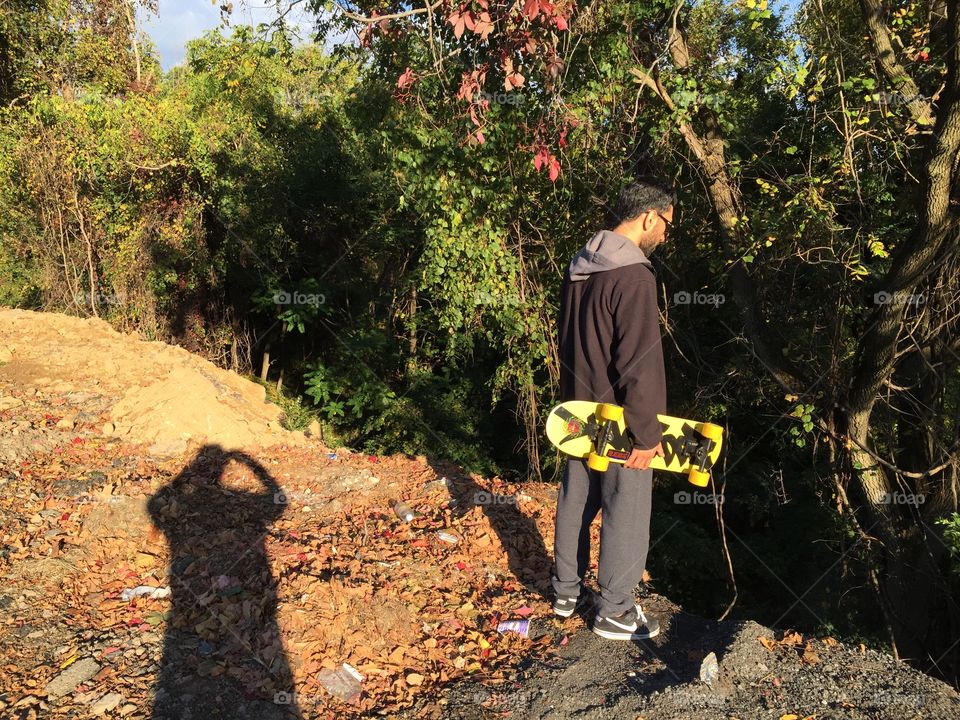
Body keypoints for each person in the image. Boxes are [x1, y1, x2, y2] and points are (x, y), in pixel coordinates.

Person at [551, 177, 674, 640]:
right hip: (619, 418)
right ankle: (615, 611)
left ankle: (566, 591)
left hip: (578, 411)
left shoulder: (580, 267)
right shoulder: (634, 275)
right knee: (628, 504)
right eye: (665, 223)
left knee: (577, 496)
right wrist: (646, 436)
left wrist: (570, 406)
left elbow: (568, 341)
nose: (664, 233)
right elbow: (639, 363)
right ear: (647, 217)